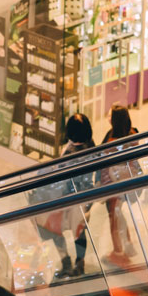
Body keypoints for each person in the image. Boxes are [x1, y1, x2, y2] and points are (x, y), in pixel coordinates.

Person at [31, 113, 96, 279]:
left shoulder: (71, 154)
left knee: (54, 229)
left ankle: (66, 261)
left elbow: (62, 180)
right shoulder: (91, 145)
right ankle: (78, 264)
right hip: (85, 198)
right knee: (79, 232)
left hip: (69, 199)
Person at [99, 104, 143, 265]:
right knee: (119, 214)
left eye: (110, 116)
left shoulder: (112, 142)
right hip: (129, 180)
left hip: (113, 182)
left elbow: (101, 157)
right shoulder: (133, 134)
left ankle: (118, 252)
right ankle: (128, 244)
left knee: (113, 217)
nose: (108, 117)